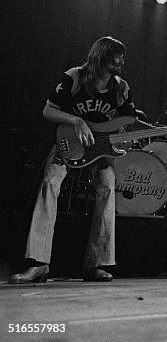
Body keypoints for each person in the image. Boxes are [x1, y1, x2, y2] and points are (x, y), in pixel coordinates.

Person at [8, 36, 136, 283]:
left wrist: (146, 132)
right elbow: (48, 109)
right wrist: (75, 120)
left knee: (108, 186)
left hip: (100, 150)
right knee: (49, 183)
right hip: (69, 145)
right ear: (102, 56)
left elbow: (128, 122)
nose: (122, 60)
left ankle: (96, 265)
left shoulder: (121, 87)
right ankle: (38, 263)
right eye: (118, 54)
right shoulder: (75, 77)